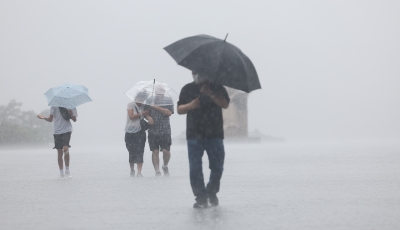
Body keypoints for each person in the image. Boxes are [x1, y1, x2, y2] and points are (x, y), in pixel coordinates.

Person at [177, 71, 230, 208]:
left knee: (217, 167)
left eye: (199, 72)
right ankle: (200, 197)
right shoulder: (187, 89)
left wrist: (210, 94)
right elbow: (179, 109)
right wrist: (191, 105)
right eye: (194, 72)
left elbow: (225, 104)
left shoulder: (218, 87)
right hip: (194, 135)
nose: (196, 74)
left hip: (215, 134)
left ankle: (211, 190)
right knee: (195, 168)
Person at [37, 107, 78, 178]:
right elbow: (50, 119)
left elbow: (74, 120)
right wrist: (43, 117)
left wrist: (71, 114)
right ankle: (61, 173)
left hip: (67, 130)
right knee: (59, 152)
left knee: (65, 148)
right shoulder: (54, 106)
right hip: (57, 131)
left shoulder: (71, 105)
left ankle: (67, 170)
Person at [146, 88, 174, 177]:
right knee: (155, 151)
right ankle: (157, 171)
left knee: (166, 150)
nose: (159, 94)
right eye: (157, 92)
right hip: (152, 130)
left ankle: (165, 166)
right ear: (155, 92)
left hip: (165, 130)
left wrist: (155, 107)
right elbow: (145, 112)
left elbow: (169, 113)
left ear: (164, 93)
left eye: (161, 92)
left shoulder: (168, 100)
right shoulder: (150, 100)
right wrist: (148, 117)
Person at [125, 97, 154, 177]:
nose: (140, 101)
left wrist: (148, 115)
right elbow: (131, 116)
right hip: (129, 132)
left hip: (140, 132)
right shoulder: (130, 104)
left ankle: (139, 172)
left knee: (140, 152)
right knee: (131, 152)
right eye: (139, 99)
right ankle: (132, 169)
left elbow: (150, 120)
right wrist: (142, 113)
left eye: (142, 99)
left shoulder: (145, 106)